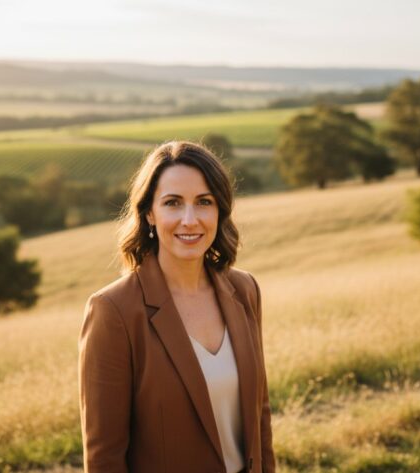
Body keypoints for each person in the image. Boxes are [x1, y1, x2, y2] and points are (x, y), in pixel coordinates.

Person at [78, 141, 275, 472]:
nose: (190, 219)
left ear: (219, 210)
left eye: (203, 202)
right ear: (149, 213)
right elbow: (104, 459)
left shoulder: (244, 290)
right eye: (172, 203)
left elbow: (261, 415)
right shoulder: (113, 312)